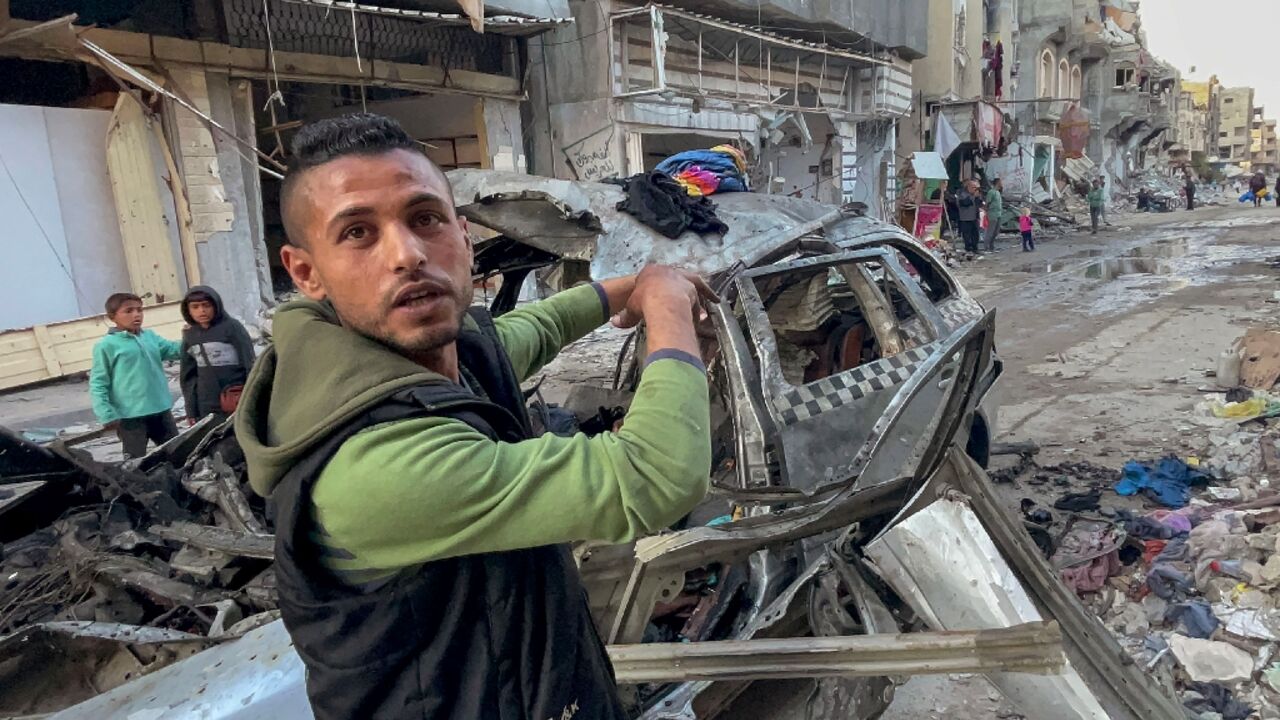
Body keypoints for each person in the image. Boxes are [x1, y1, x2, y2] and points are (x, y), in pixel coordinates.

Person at [233, 113, 715, 720]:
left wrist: (635, 286)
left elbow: (524, 331)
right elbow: (655, 477)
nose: (407, 255)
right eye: (358, 233)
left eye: (425, 219)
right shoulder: (372, 464)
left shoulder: (403, 361)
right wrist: (669, 311)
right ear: (306, 272)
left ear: (463, 236)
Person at [89, 293, 183, 459]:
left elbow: (173, 350)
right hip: (130, 416)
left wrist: (192, 337)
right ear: (112, 317)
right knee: (135, 461)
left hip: (161, 409)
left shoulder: (150, 337)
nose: (136, 314)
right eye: (129, 311)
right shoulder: (106, 345)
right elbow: (98, 382)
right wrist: (105, 412)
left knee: (178, 453)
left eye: (139, 310)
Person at [179, 286, 256, 423]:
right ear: (188, 310)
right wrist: (191, 410)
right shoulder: (190, 334)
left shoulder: (232, 327)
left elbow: (249, 363)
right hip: (206, 401)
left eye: (206, 305)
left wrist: (254, 396)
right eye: (195, 307)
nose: (201, 311)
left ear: (216, 305)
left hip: (236, 396)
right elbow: (188, 376)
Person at [956, 179, 983, 254]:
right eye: (974, 187)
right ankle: (968, 248)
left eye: (976, 187)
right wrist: (973, 196)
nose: (975, 189)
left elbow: (979, 203)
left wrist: (978, 197)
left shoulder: (975, 194)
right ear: (969, 187)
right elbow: (965, 203)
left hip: (974, 217)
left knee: (975, 233)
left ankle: (975, 247)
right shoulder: (962, 193)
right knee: (967, 234)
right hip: (966, 218)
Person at [984, 178, 1004, 252]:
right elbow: (987, 203)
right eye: (1001, 182)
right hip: (992, 214)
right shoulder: (991, 192)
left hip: (998, 214)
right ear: (997, 183)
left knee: (996, 231)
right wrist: (986, 212)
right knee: (990, 231)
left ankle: (991, 246)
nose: (1002, 183)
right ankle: (986, 247)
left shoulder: (998, 192)